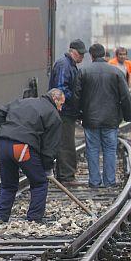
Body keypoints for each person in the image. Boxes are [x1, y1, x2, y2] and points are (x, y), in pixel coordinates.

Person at [0, 89, 64, 223]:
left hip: (4, 144)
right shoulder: (53, 114)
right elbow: (50, 147)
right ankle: (34, 218)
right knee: (39, 182)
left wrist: (0, 132)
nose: (60, 109)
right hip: (21, 148)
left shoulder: (22, 102)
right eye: (61, 105)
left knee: (8, 185)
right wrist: (47, 167)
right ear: (55, 100)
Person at [74, 43, 131, 188]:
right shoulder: (116, 72)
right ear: (104, 54)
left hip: (90, 118)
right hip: (111, 119)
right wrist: (127, 115)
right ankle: (109, 182)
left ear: (91, 55)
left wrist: (78, 114)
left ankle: (94, 181)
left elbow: (76, 96)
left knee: (92, 150)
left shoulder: (83, 71)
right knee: (110, 150)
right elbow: (125, 97)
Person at [48, 38, 86, 184]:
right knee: (66, 143)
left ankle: (64, 173)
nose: (82, 56)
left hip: (65, 111)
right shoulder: (65, 65)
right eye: (80, 53)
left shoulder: (69, 65)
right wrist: (76, 98)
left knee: (65, 142)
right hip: (63, 112)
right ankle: (66, 176)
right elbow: (61, 89)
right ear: (72, 52)